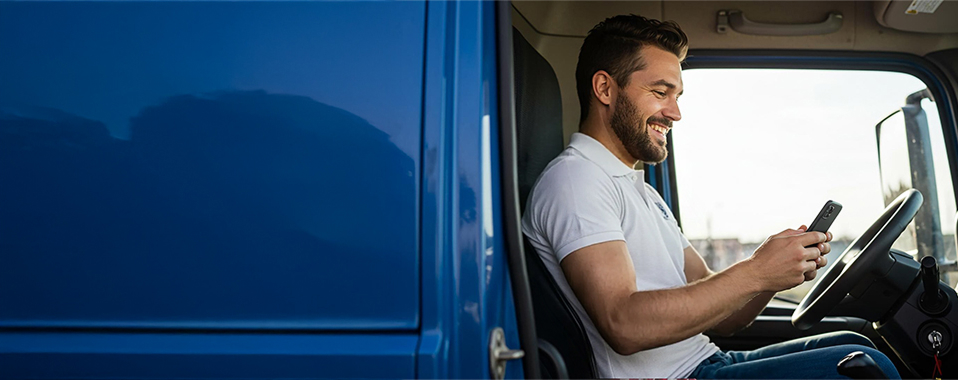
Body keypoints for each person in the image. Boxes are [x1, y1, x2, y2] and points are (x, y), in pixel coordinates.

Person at [521, 14, 901, 379]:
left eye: (678, 96)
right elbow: (624, 324)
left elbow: (725, 315)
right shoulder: (577, 180)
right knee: (863, 369)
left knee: (856, 343)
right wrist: (755, 271)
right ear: (605, 88)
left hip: (706, 360)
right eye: (660, 92)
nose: (675, 113)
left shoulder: (640, 190)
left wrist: (771, 274)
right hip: (673, 376)